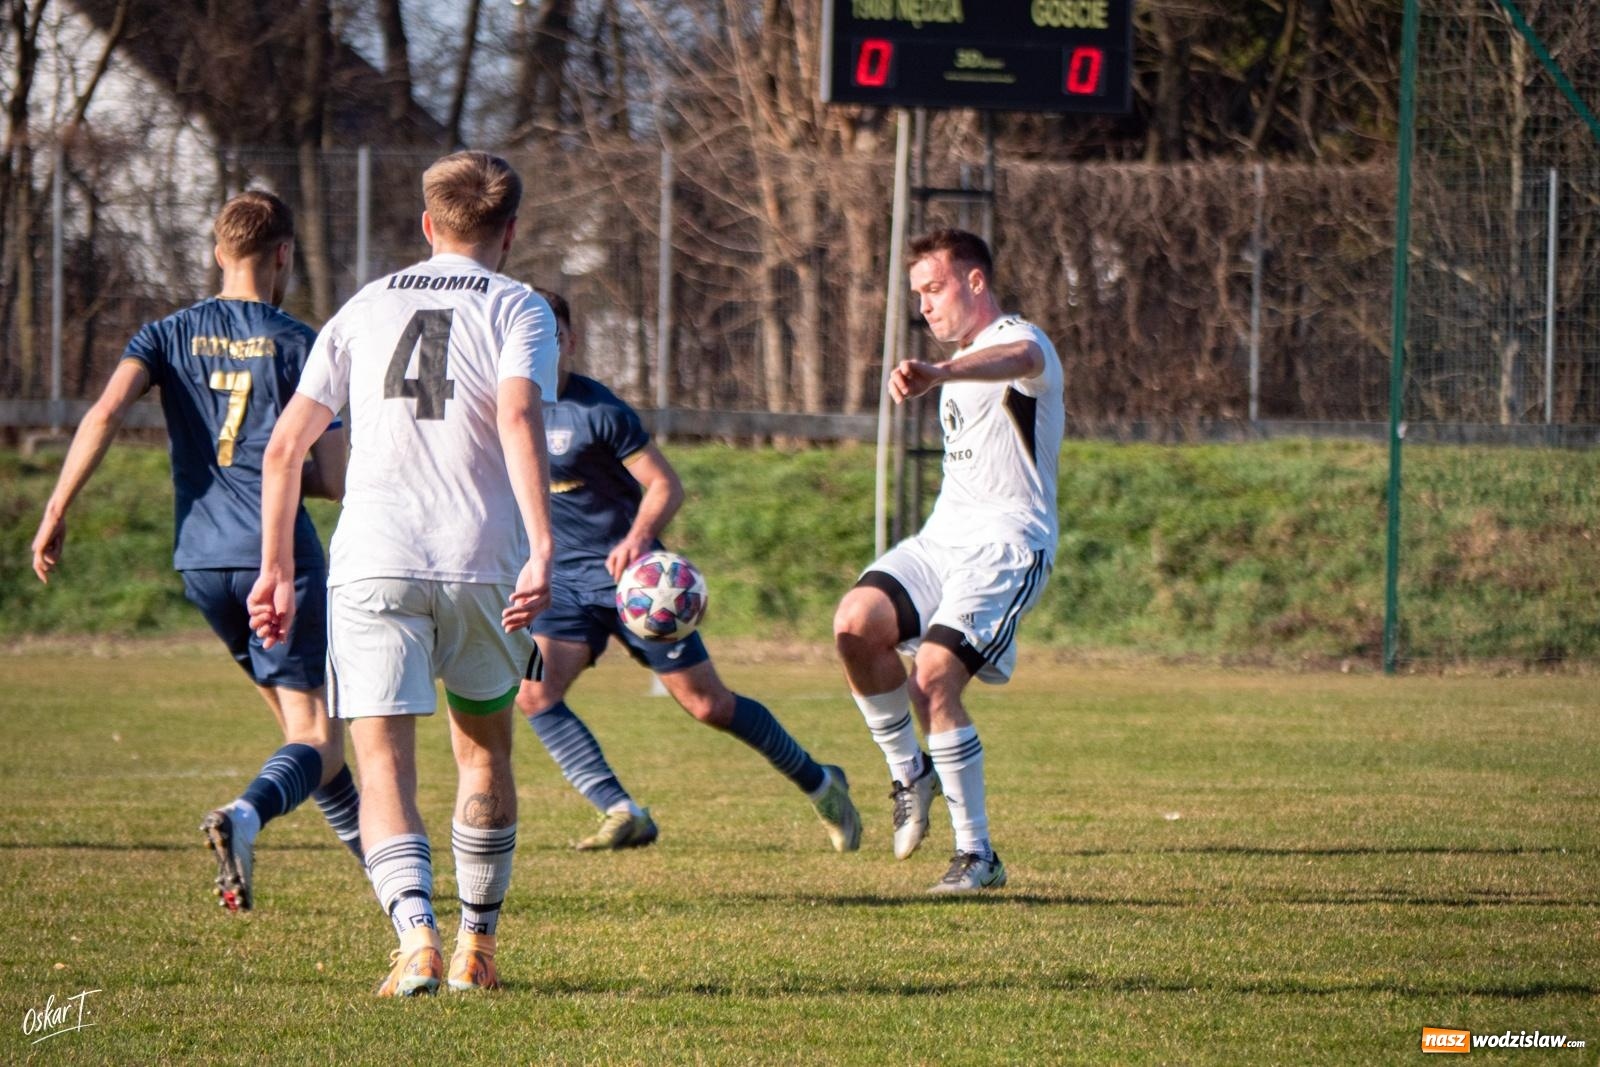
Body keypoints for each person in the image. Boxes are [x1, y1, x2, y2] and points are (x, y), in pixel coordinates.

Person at [248, 150, 558, 997]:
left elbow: (284, 449)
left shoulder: (363, 306)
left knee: (381, 762)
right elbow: (520, 413)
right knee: (484, 754)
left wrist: (276, 567)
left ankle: (416, 937)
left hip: (373, 563)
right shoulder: (520, 305)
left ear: (428, 225)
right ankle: (476, 948)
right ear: (509, 231)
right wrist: (542, 544)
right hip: (483, 564)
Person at [29, 190, 361, 913]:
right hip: (278, 558)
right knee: (318, 737)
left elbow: (105, 411)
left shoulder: (163, 333)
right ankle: (243, 817)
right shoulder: (300, 342)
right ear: (283, 255)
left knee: (302, 736)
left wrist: (57, 508)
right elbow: (334, 478)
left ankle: (388, 876)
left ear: (218, 253)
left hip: (202, 560)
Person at [516, 290, 861, 854]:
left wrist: (636, 539)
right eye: (532, 335)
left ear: (571, 341)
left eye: (553, 335)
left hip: (638, 591)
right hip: (567, 589)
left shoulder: (599, 412)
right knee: (535, 694)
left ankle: (821, 782)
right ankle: (622, 810)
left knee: (709, 706)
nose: (542, 346)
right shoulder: (510, 408)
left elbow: (665, 485)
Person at [833, 228, 1063, 894]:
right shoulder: (962, 361)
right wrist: (945, 371)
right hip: (944, 539)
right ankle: (911, 773)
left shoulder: (1023, 341)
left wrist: (941, 372)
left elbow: (1018, 357)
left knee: (932, 678)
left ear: (975, 281)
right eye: (918, 295)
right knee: (855, 623)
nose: (925, 306)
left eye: (934, 288)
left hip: (1007, 545)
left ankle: (977, 856)